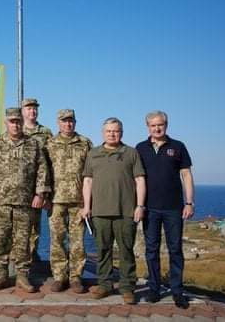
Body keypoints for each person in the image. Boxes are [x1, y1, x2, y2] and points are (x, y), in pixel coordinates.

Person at [0, 108, 50, 292]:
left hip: (25, 203)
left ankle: (22, 276)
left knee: (23, 241)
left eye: (18, 121)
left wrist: (40, 194)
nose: (15, 125)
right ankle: (1, 275)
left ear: (22, 122)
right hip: (1, 202)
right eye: (12, 121)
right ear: (6, 123)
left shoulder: (33, 144)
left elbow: (42, 170)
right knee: (0, 239)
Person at [82, 117, 146, 304]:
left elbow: (140, 180)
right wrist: (86, 206)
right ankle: (104, 284)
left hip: (125, 211)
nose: (112, 134)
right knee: (103, 250)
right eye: (109, 131)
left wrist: (140, 206)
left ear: (121, 133)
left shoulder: (131, 153)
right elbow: (88, 181)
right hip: (100, 211)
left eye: (116, 131)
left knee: (126, 251)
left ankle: (127, 288)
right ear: (103, 133)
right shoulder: (93, 153)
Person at [136, 111, 194, 309]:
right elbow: (137, 179)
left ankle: (177, 291)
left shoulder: (178, 146)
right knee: (151, 250)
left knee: (175, 250)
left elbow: (186, 175)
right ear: (147, 127)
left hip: (174, 208)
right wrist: (138, 205)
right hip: (149, 208)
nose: (157, 128)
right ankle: (154, 288)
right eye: (153, 125)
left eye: (160, 124)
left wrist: (189, 202)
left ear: (166, 125)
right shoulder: (140, 148)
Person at [45, 109, 92, 294]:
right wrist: (45, 197)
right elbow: (44, 172)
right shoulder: (50, 144)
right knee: (57, 239)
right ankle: (59, 277)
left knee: (77, 241)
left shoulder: (85, 143)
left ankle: (75, 277)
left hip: (78, 200)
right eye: (64, 121)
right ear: (58, 123)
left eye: (71, 121)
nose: (68, 124)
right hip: (56, 200)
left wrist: (89, 202)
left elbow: (91, 173)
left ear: (75, 122)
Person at [21, 98, 53, 262]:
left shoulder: (45, 133)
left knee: (35, 225)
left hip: (38, 186)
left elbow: (51, 161)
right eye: (28, 108)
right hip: (19, 186)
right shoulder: (16, 129)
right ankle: (19, 256)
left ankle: (33, 256)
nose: (32, 111)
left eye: (34, 109)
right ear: (22, 111)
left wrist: (46, 193)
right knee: (18, 224)